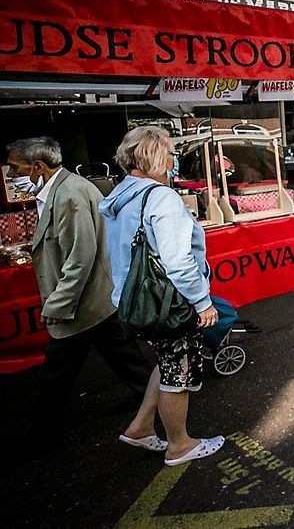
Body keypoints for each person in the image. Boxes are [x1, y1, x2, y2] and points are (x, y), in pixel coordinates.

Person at [5, 138, 151, 442]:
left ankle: (39, 435)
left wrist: (57, 306)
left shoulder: (69, 195)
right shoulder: (60, 190)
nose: (9, 175)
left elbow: (80, 258)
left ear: (38, 167)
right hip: (95, 300)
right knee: (123, 355)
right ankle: (148, 397)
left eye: (14, 168)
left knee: (56, 374)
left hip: (83, 302)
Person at [99, 126, 224, 466]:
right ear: (155, 156)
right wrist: (202, 301)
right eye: (170, 154)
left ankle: (140, 427)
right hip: (165, 301)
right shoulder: (161, 197)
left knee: (166, 363)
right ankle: (179, 445)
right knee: (177, 373)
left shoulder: (123, 193)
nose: (173, 161)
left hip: (135, 300)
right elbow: (178, 260)